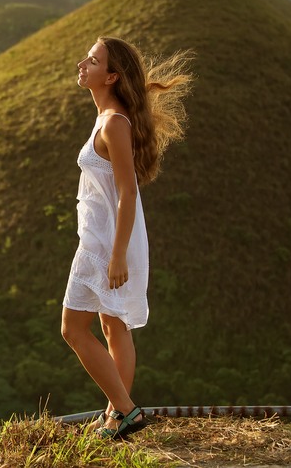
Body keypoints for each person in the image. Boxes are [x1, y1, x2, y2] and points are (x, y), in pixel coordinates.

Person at [60, 36, 192, 439]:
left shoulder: (114, 123)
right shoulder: (106, 118)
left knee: (73, 329)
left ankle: (127, 410)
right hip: (106, 238)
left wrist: (116, 256)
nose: (83, 63)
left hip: (105, 244)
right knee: (114, 327)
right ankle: (115, 416)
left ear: (111, 76)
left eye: (94, 60)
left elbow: (128, 192)